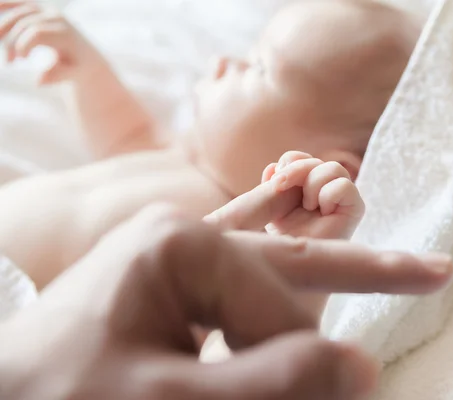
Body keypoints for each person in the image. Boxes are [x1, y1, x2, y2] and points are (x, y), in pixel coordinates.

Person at [0, 0, 421, 292]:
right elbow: (124, 136)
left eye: (258, 67)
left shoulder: (242, 243)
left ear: (326, 167)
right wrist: (86, 68)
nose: (223, 62)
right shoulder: (179, 155)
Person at [0, 175, 452, 400]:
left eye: (261, 69)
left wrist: (293, 268)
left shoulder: (202, 206)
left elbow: (199, 365)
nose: (225, 62)